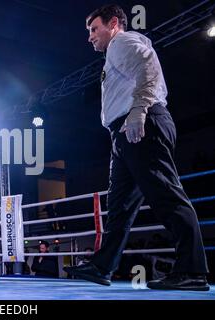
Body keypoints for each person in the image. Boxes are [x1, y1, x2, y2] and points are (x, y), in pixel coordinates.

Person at [64, 4, 209, 291]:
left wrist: (139, 110)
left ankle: (192, 270)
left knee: (166, 194)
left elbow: (148, 67)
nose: (90, 37)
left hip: (141, 124)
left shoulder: (123, 42)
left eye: (94, 29)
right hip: (124, 133)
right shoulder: (114, 53)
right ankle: (102, 266)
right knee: (118, 206)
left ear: (113, 24)